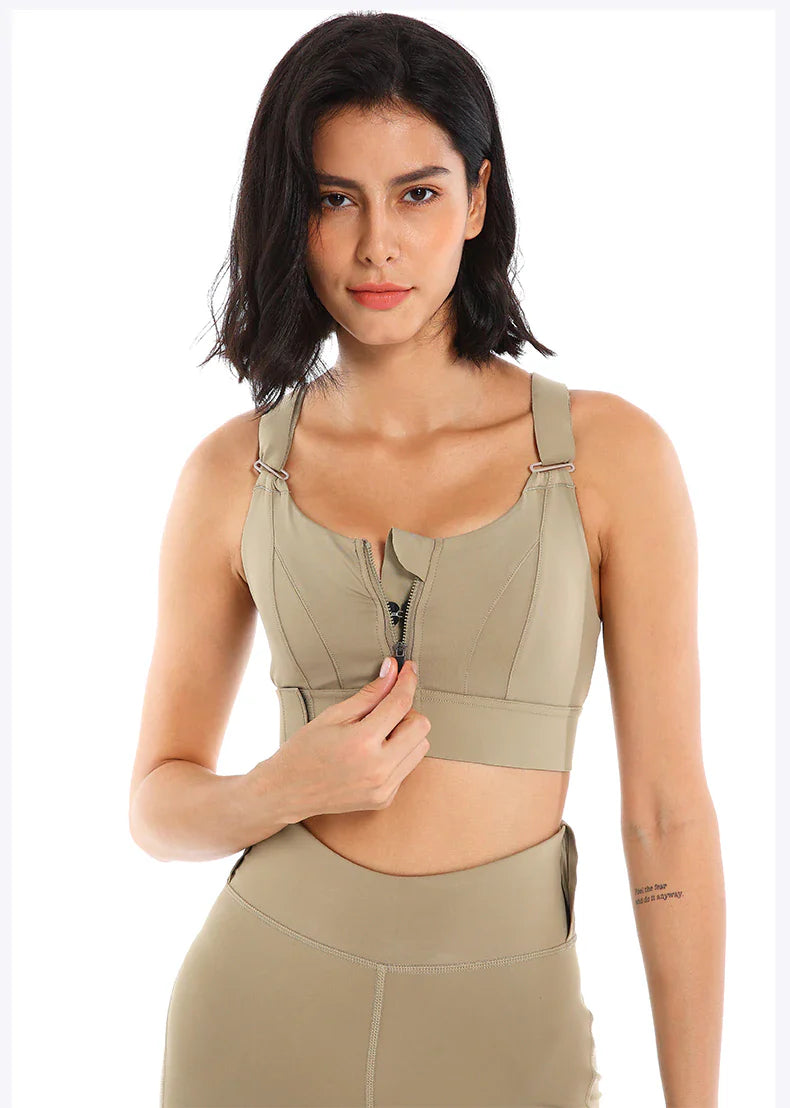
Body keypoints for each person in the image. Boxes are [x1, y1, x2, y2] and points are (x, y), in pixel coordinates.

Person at [129, 12, 725, 1107]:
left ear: (478, 199)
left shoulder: (610, 457)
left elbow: (666, 815)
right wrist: (277, 788)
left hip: (511, 1032)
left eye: (416, 193)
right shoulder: (233, 472)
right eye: (334, 198)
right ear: (290, 211)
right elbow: (155, 805)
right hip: (261, 1013)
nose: (377, 246)